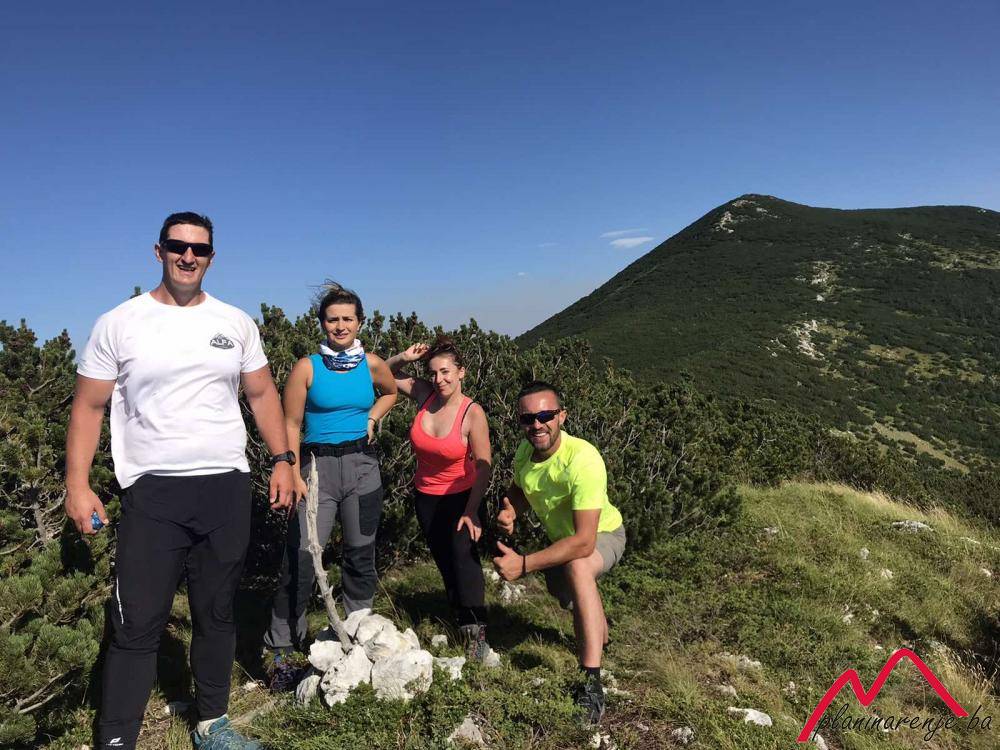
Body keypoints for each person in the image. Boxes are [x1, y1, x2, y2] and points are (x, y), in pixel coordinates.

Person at [65, 212, 296, 750]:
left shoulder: (234, 322)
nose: (188, 256)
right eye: (177, 246)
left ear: (212, 257)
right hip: (153, 493)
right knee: (138, 622)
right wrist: (78, 483)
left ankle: (213, 723)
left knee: (216, 611)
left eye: (200, 249)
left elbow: (261, 393)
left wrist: (283, 458)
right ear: (159, 251)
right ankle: (117, 739)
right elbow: (88, 407)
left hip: (226, 488)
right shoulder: (119, 323)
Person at [264, 282, 397, 677]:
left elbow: (390, 392)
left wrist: (372, 417)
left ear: (360, 323)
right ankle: (282, 645)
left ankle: (359, 633)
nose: (340, 326)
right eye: (333, 319)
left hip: (362, 466)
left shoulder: (372, 364)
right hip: (316, 468)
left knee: (360, 553)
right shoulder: (308, 367)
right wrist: (292, 471)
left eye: (347, 319)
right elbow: (290, 422)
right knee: (303, 557)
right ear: (322, 323)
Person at [493, 380, 626, 724]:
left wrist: (524, 564)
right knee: (579, 604)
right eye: (528, 419)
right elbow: (520, 488)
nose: (537, 425)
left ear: (561, 416)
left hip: (603, 534)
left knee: (578, 568)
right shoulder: (525, 452)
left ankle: (591, 684)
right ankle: (600, 631)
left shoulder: (582, 459)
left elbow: (584, 542)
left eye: (545, 416)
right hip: (563, 540)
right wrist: (511, 511)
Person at [386, 337, 493, 659]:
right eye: (433, 373)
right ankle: (460, 620)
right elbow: (381, 374)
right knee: (445, 560)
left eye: (446, 372)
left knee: (464, 559)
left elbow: (484, 465)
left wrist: (472, 511)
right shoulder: (424, 394)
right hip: (427, 498)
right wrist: (403, 357)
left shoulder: (472, 413)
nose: (439, 379)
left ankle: (477, 631)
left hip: (462, 497)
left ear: (461, 372)